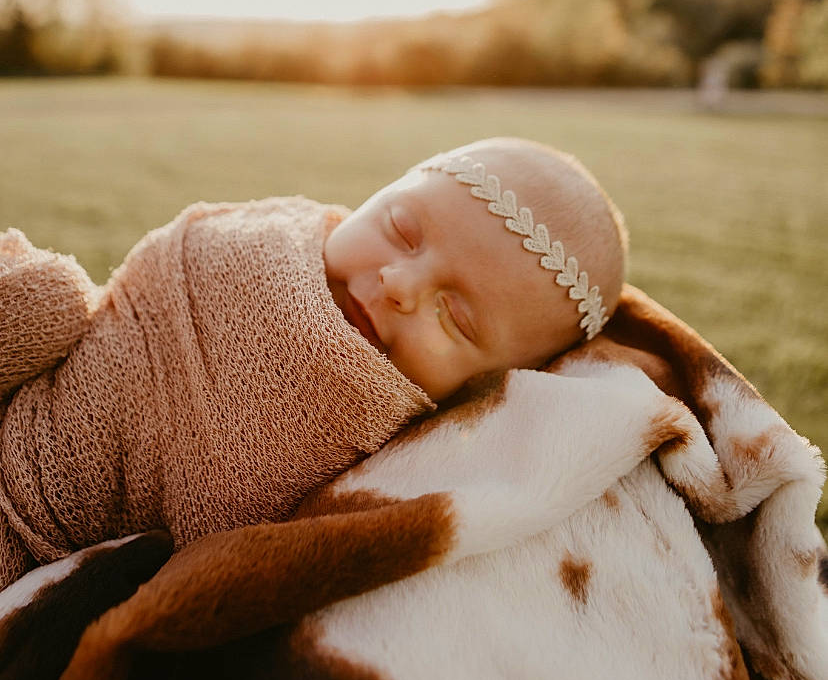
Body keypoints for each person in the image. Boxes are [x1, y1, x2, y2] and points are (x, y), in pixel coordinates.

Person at [0, 137, 627, 591]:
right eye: (403, 229)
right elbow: (146, 280)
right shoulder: (279, 233)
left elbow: (221, 518)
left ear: (484, 382)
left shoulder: (382, 440)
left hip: (24, 517)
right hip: (37, 381)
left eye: (455, 318)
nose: (399, 283)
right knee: (45, 295)